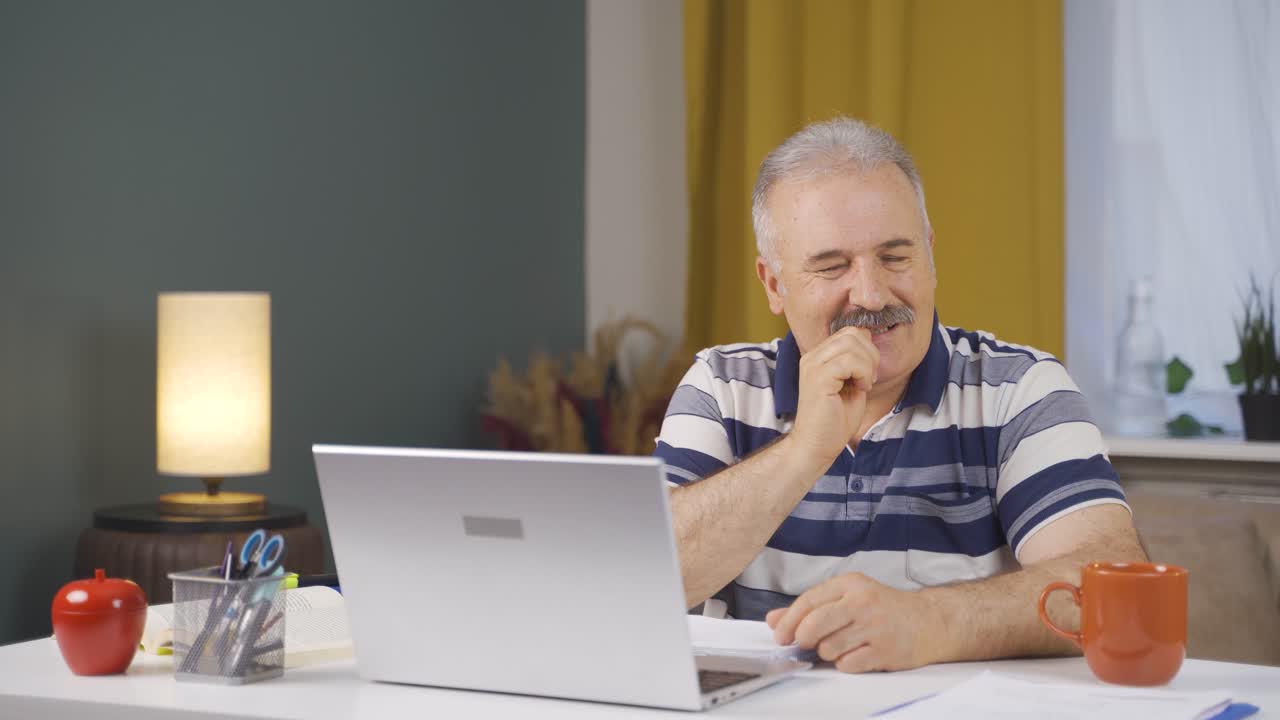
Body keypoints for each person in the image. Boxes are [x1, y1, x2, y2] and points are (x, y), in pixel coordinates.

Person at [655, 117, 1146, 674]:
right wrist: (802, 452)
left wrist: (928, 621)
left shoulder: (1020, 388)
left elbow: (1117, 588)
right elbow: (642, 578)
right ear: (774, 283)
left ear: (930, 256)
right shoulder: (722, 386)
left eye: (895, 257)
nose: (870, 293)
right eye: (831, 266)